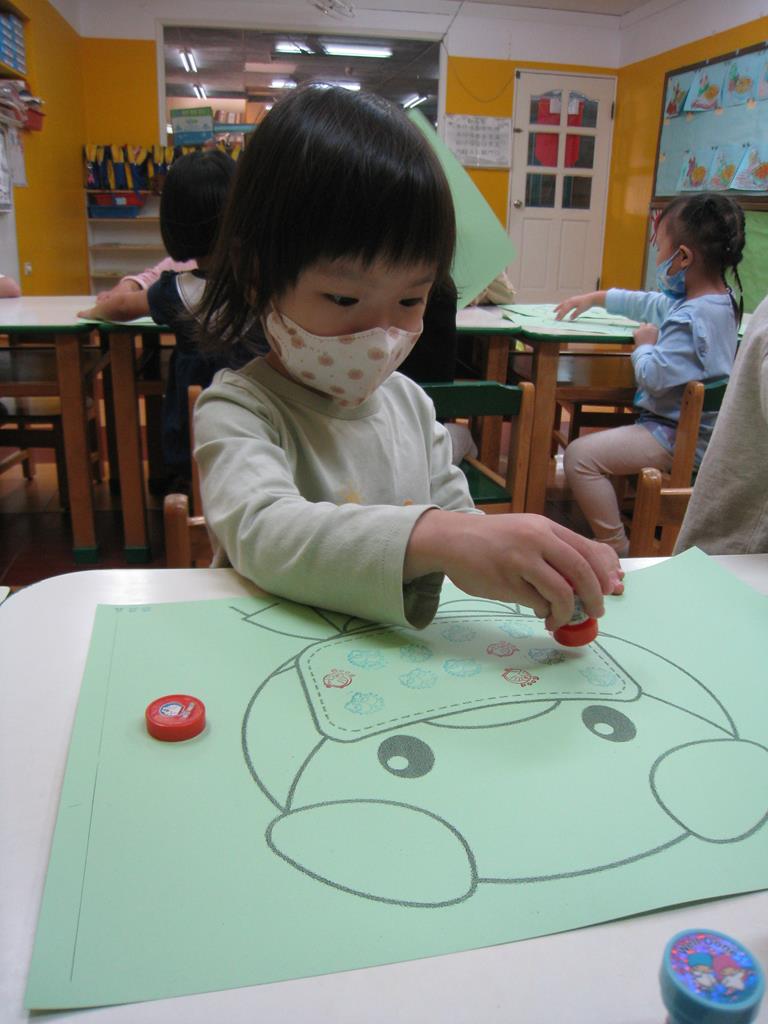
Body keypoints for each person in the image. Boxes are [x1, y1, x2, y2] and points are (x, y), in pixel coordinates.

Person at [192, 86, 621, 631]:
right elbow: (264, 533)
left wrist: (537, 559)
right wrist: (440, 538)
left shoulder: (411, 406)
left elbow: (462, 526)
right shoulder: (239, 410)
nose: (379, 337)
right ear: (256, 274)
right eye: (343, 299)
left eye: (410, 300)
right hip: (277, 654)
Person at [554, 192, 745, 556]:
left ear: (683, 257)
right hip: (699, 432)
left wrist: (644, 345)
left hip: (678, 438)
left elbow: (653, 376)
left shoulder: (688, 318)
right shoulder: (720, 302)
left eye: (660, 250)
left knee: (580, 457)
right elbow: (651, 303)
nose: (658, 259)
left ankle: (616, 545)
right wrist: (597, 298)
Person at [79, 150, 266, 485]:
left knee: (192, 467)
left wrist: (93, 311)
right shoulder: (264, 287)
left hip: (194, 421)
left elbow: (121, 308)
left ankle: (189, 500)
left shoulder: (174, 291)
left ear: (174, 224)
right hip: (260, 418)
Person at [675, 293, 768, 555]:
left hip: (682, 433)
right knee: (584, 459)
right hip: (740, 559)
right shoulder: (712, 307)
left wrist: (644, 350)